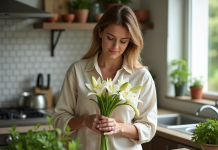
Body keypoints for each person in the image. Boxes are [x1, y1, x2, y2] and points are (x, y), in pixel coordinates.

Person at [52, 5, 157, 150]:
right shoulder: (78, 71)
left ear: (130, 41)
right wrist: (84, 121)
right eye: (110, 38)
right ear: (100, 32)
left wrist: (119, 127)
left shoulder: (141, 77)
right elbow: (58, 120)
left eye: (123, 41)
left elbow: (148, 128)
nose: (115, 46)